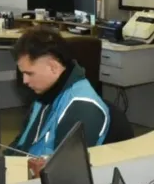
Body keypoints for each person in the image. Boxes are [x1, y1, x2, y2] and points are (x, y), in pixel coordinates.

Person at [8, 27, 109, 156]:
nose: (25, 81)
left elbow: (66, 165)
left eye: (29, 73)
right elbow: (21, 142)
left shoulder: (82, 109)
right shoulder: (45, 95)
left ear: (53, 67)